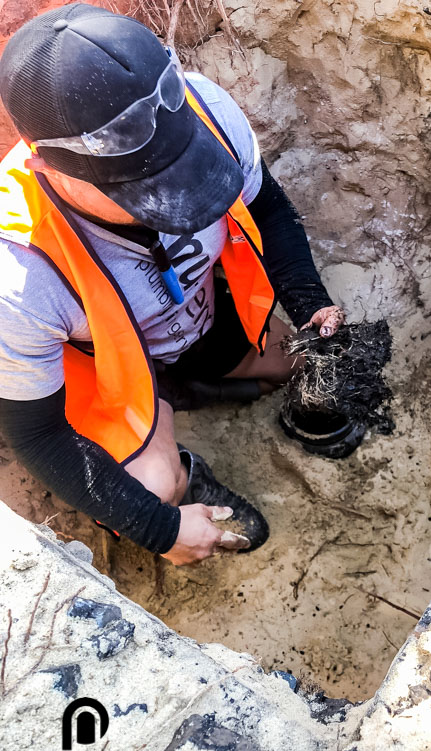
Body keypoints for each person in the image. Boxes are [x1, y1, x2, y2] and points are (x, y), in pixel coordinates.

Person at [0, 3, 344, 566]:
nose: (172, 206)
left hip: (204, 320)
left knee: (302, 359)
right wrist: (158, 527)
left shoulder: (204, 105)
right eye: (142, 188)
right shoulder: (16, 272)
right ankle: (182, 461)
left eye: (182, 167)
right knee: (152, 487)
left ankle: (198, 384)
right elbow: (37, 437)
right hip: (111, 376)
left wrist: (312, 307)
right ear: (47, 169)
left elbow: (272, 213)